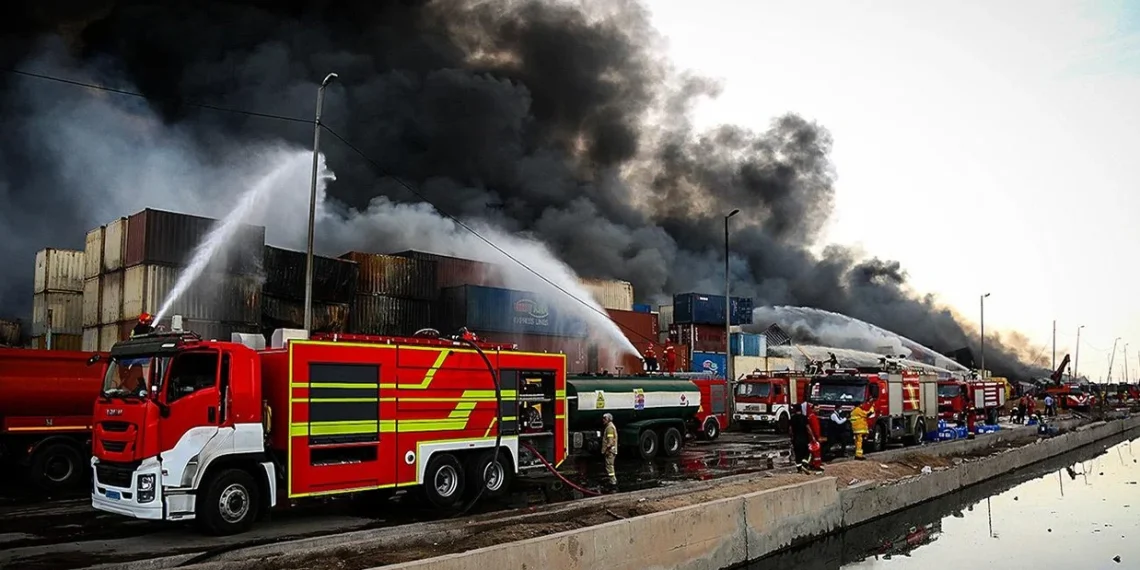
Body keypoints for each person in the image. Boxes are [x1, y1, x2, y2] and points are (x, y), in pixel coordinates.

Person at [789, 404, 817, 471]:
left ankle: (799, 468)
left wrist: (791, 437)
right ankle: (804, 464)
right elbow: (808, 428)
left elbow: (790, 429)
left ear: (795, 410)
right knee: (806, 453)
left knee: (798, 454)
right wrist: (813, 437)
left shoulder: (792, 418)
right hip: (804, 439)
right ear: (801, 409)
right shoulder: (804, 418)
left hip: (796, 439)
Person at [601, 413, 618, 489]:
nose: (603, 420)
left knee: (609, 466)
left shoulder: (609, 428)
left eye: (604, 418)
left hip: (610, 451)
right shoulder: (610, 426)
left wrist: (607, 450)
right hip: (611, 450)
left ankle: (613, 482)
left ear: (608, 419)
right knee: (610, 466)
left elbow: (610, 442)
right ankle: (613, 481)